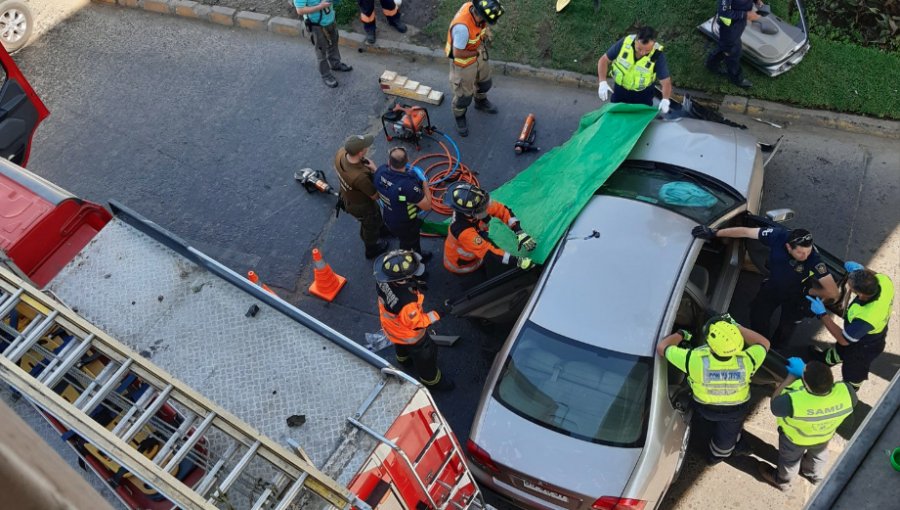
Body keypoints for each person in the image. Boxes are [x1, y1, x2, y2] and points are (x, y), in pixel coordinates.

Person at [693, 225, 838, 348]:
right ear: (788, 247)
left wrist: (809, 291)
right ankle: (760, 344)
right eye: (800, 252)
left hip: (797, 296)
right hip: (773, 288)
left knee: (787, 326)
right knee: (758, 316)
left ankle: (777, 348)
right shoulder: (777, 236)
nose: (805, 256)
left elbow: (833, 292)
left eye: (808, 251)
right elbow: (746, 232)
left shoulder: (814, 260)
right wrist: (714, 233)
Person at [657, 314, 770, 464]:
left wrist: (681, 334)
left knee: (705, 424)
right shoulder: (747, 360)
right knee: (727, 436)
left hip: (705, 407)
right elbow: (764, 343)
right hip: (735, 410)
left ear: (710, 343)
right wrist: (736, 328)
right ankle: (716, 456)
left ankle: (703, 433)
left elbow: (662, 348)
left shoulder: (694, 360)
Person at [758, 358, 856, 491]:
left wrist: (790, 377)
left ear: (807, 386)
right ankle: (814, 476)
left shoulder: (793, 401)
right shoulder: (847, 392)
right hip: (824, 435)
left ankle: (782, 481)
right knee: (818, 456)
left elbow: (775, 405)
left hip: (794, 439)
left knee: (790, 462)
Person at [374, 250, 454, 391]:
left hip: (392, 329)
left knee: (400, 347)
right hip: (410, 337)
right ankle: (432, 381)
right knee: (426, 358)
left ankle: (403, 360)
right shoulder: (407, 303)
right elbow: (417, 324)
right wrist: (441, 312)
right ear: (404, 278)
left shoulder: (383, 280)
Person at [807, 262, 893, 390]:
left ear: (860, 293)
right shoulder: (884, 282)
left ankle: (850, 390)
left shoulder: (867, 317)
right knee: (840, 350)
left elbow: (844, 339)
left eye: (850, 286)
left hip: (865, 346)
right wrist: (860, 269)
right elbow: (874, 275)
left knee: (853, 370)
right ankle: (825, 360)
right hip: (864, 334)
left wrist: (822, 314)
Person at [443, 182, 536, 277]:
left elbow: (502, 210)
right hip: (464, 265)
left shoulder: (478, 203)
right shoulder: (463, 230)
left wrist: (519, 231)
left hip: (476, 244)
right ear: (469, 213)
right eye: (483, 208)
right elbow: (489, 253)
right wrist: (518, 261)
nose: (487, 208)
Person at [445, 0, 504, 137]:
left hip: (476, 51)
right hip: (463, 62)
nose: (488, 23)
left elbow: (478, 29)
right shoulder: (462, 29)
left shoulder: (472, 7)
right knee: (464, 97)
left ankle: (481, 102)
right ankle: (459, 116)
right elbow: (457, 53)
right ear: (481, 16)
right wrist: (476, 53)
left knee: (485, 83)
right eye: (487, 20)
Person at [334, 134, 388, 259]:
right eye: (365, 147)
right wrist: (376, 170)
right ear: (360, 152)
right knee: (369, 226)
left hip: (348, 195)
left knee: (375, 217)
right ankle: (371, 249)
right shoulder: (360, 177)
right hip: (362, 206)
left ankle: (382, 229)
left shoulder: (341, 154)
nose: (367, 147)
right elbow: (375, 196)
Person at [374, 147, 433, 262]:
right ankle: (413, 264)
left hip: (388, 216)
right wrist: (425, 183)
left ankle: (414, 254)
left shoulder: (380, 171)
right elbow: (427, 206)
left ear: (389, 162)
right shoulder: (408, 186)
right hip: (406, 224)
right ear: (407, 161)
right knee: (410, 243)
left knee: (406, 240)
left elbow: (377, 193)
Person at [596, 26, 673, 113]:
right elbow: (604, 60)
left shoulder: (657, 54)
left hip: (643, 95)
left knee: (639, 123)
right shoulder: (625, 43)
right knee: (615, 118)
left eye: (647, 50)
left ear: (654, 44)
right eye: (639, 48)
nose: (642, 53)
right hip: (620, 91)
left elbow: (666, 81)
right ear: (635, 41)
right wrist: (602, 82)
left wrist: (665, 99)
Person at [295, 0, 353, 88]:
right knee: (321, 51)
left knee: (333, 44)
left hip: (330, 20)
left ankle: (335, 64)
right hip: (316, 25)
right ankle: (326, 75)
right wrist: (320, 6)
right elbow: (300, 10)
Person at [706, 0, 761, 89]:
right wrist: (746, 15)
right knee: (734, 52)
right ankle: (736, 78)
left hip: (739, 22)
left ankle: (711, 64)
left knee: (725, 47)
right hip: (729, 27)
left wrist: (756, 1)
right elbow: (724, 13)